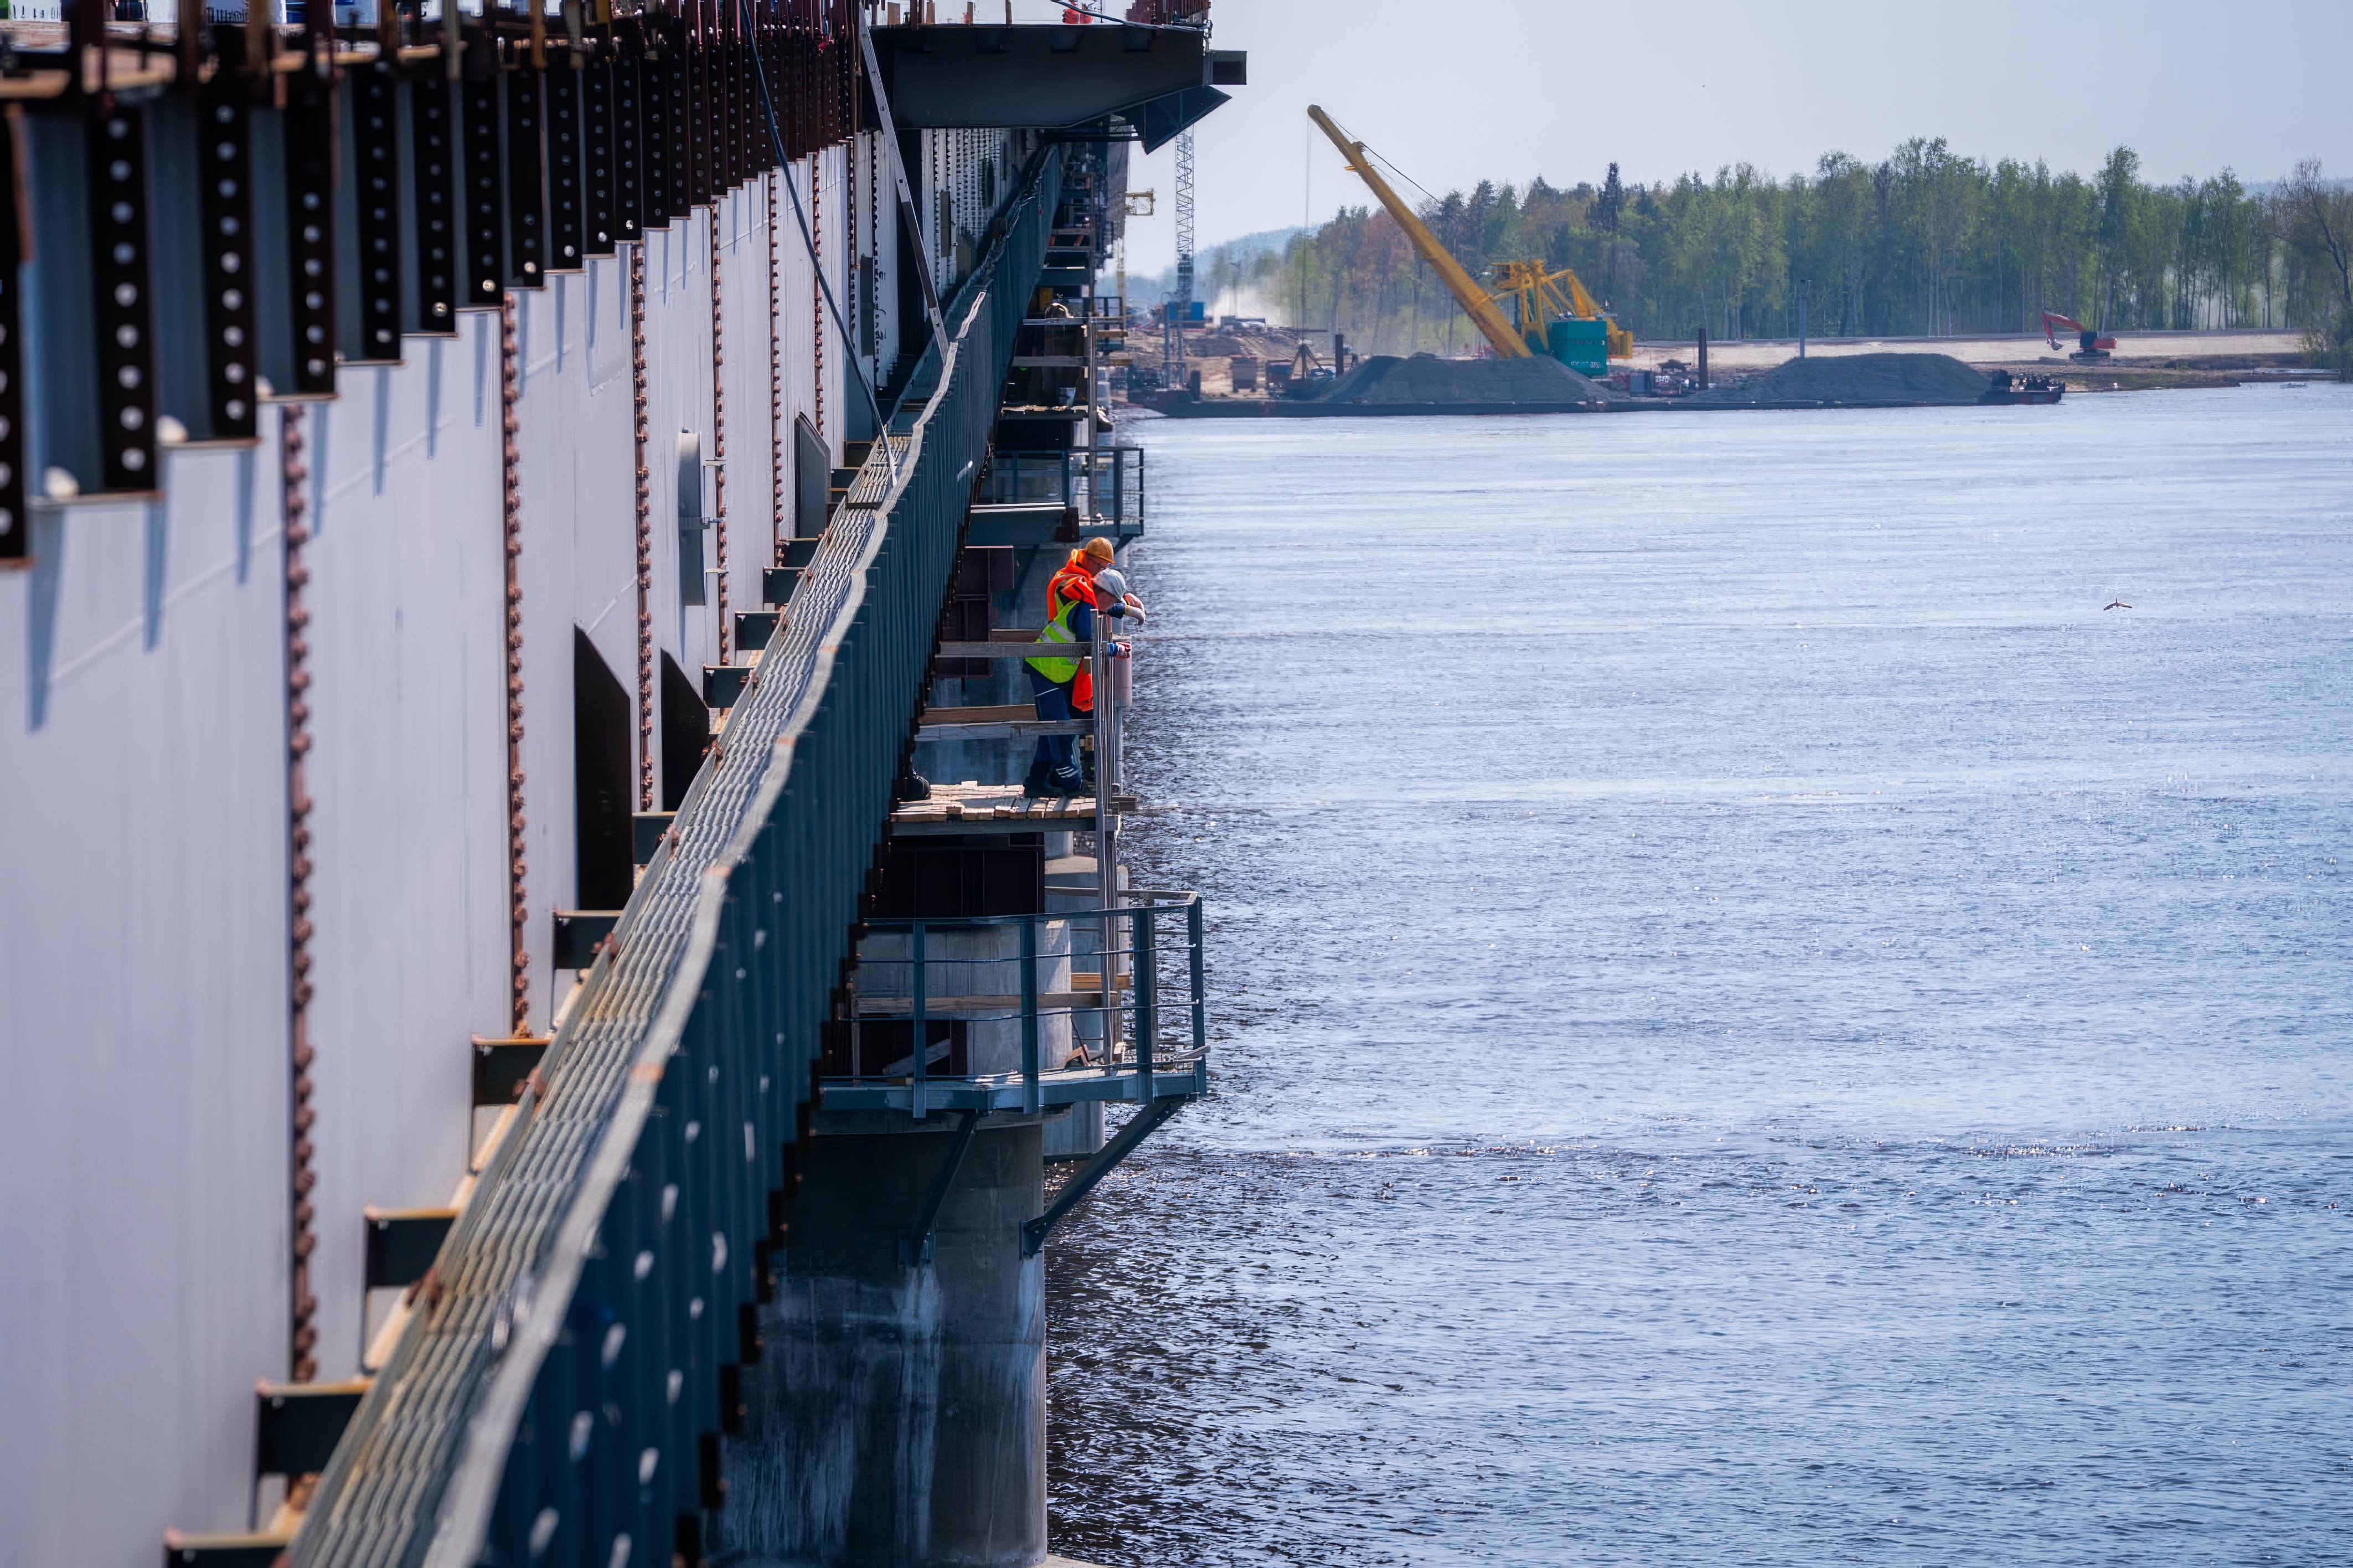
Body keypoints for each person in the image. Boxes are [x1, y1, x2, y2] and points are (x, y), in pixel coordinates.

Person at [1023, 537, 1141, 797]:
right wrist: (1115, 649)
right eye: (1112, 601)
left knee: (1052, 729)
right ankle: (1072, 785)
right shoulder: (1080, 591)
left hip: (1058, 672)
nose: (1109, 608)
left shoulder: (1087, 591)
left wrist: (1126, 606)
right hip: (1046, 669)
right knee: (1061, 729)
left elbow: (1100, 608)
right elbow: (1089, 641)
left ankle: (1036, 784)